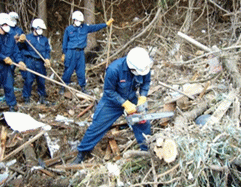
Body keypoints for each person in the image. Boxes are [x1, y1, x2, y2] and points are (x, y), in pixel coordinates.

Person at [72, 47, 153, 164]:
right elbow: (109, 91)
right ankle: (82, 152)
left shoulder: (143, 66)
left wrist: (143, 96)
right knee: (97, 126)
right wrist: (124, 103)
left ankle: (146, 150)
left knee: (143, 122)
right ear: (132, 68)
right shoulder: (114, 69)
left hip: (131, 98)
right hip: (112, 101)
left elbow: (146, 82)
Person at [59, 10, 114, 94]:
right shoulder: (68, 29)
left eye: (80, 21)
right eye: (77, 20)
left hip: (80, 53)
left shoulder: (85, 27)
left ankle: (83, 87)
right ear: (73, 20)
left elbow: (95, 27)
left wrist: (106, 24)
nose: (79, 22)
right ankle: (63, 87)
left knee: (81, 71)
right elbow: (65, 42)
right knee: (68, 70)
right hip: (71, 52)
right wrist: (64, 53)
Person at [18, 18, 51, 104]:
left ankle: (42, 97)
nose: (41, 31)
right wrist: (20, 41)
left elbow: (47, 50)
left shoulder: (44, 39)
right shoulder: (27, 38)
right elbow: (19, 48)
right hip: (30, 61)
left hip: (40, 62)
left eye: (42, 29)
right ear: (34, 28)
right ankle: (26, 98)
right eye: (39, 29)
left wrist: (47, 58)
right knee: (29, 80)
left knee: (41, 80)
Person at [0, 13, 26, 111]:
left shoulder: (10, 36)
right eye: (5, 25)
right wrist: (3, 57)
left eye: (8, 25)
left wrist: (20, 61)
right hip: (2, 62)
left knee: (9, 86)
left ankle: (12, 106)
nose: (7, 27)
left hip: (6, 67)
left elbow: (15, 50)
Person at [8, 12, 24, 77]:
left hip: (15, 53)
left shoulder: (19, 30)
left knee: (11, 69)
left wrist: (22, 40)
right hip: (6, 53)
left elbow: (22, 45)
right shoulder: (5, 29)